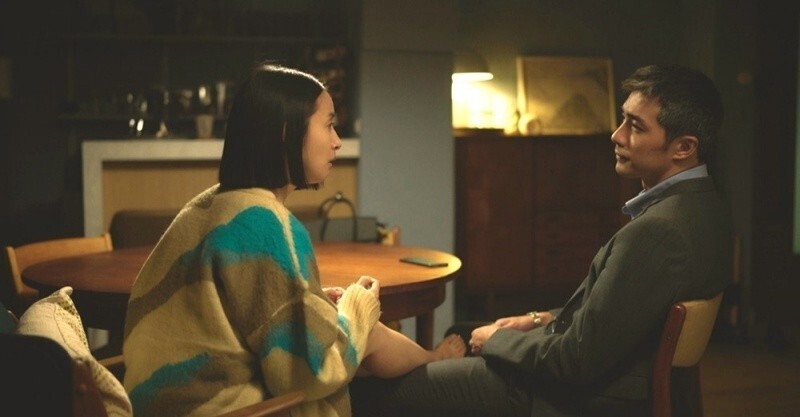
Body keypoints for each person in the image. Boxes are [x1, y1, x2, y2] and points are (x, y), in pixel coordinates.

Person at [349, 64, 733, 417]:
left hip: (575, 398)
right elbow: (621, 313)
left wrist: (497, 341)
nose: (616, 135)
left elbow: (576, 360)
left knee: (370, 394)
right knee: (462, 332)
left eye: (635, 126)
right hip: (607, 375)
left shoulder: (657, 232)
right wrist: (538, 319)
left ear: (684, 147)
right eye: (623, 119)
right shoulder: (706, 208)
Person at [122, 64, 465, 417]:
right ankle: (432, 360)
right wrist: (358, 307)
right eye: (328, 125)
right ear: (287, 131)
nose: (337, 141)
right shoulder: (265, 223)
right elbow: (310, 372)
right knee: (365, 329)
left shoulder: (205, 206)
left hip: (161, 403)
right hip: (230, 409)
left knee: (347, 326)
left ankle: (430, 358)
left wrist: (312, 299)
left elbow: (237, 310)